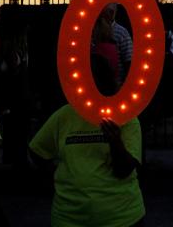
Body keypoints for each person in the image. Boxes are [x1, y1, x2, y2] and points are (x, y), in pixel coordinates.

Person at [30, 53, 144, 226]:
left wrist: (115, 142)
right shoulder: (64, 115)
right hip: (68, 219)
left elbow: (125, 170)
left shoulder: (125, 117)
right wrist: (61, 180)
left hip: (122, 218)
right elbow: (37, 151)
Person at [99, 3, 133, 85]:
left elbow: (129, 62)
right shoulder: (92, 31)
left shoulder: (122, 32)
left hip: (116, 85)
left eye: (111, 11)